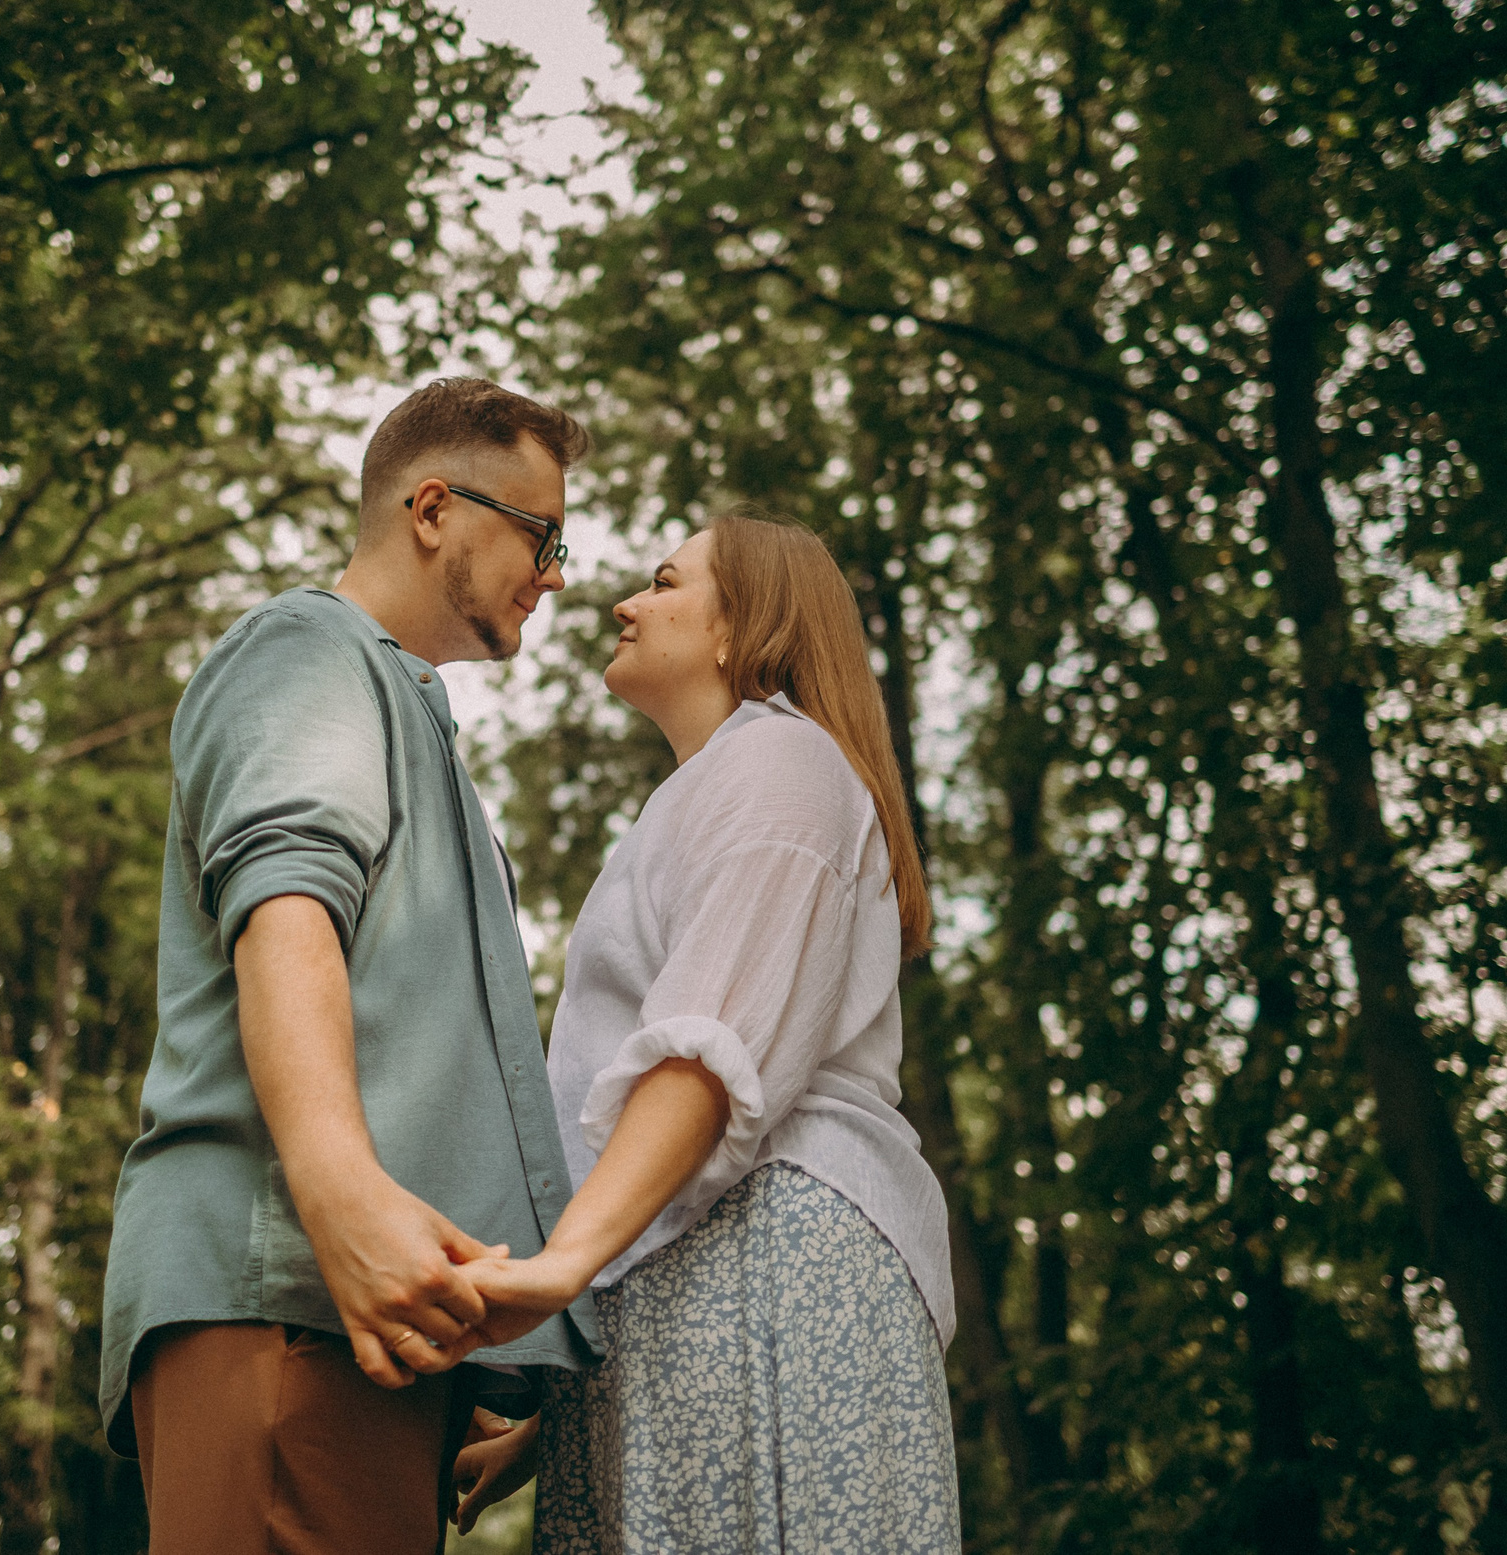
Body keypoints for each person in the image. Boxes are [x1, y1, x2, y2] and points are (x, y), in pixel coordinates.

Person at [97, 378, 603, 1555]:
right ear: (433, 507)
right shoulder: (309, 649)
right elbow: (286, 910)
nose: (559, 573)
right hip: (284, 1308)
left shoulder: (404, 705)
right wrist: (340, 1189)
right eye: (541, 535)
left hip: (355, 1331)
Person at [453, 510, 963, 1552]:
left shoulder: (782, 765)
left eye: (664, 582)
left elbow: (705, 1056)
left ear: (744, 630)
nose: (623, 603)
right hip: (691, 1281)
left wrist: (555, 1273)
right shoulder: (708, 790)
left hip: (773, 1262)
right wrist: (557, 1411)